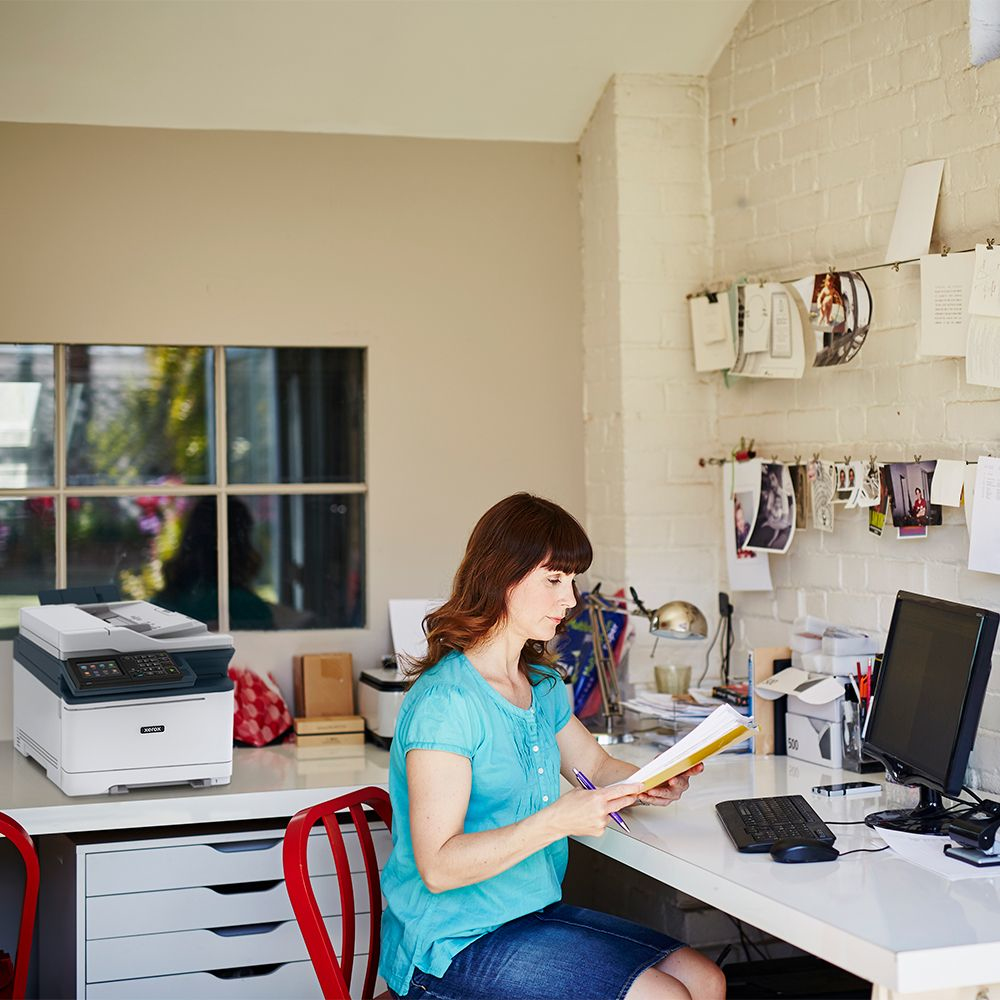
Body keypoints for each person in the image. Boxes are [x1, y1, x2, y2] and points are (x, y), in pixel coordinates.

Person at [379, 493, 725, 1000]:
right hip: (450, 943)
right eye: (554, 580)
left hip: (526, 915)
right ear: (502, 576)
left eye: (573, 580)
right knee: (666, 996)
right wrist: (556, 820)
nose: (571, 600)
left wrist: (650, 781)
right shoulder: (447, 703)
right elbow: (439, 866)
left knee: (705, 979)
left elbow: (596, 765)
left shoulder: (539, 685)